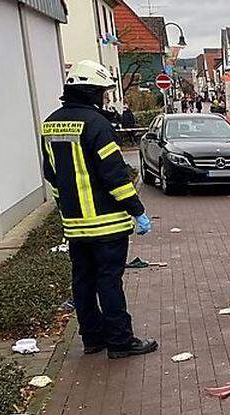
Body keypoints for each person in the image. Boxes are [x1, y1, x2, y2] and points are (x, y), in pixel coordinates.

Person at [41, 60, 157, 359]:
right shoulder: (97, 125)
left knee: (82, 280)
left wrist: (64, 207)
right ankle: (120, 341)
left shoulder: (51, 124)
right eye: (103, 92)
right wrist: (136, 209)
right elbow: (114, 175)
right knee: (109, 281)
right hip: (106, 224)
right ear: (91, 92)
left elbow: (52, 175)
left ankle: (92, 338)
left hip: (75, 224)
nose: (104, 97)